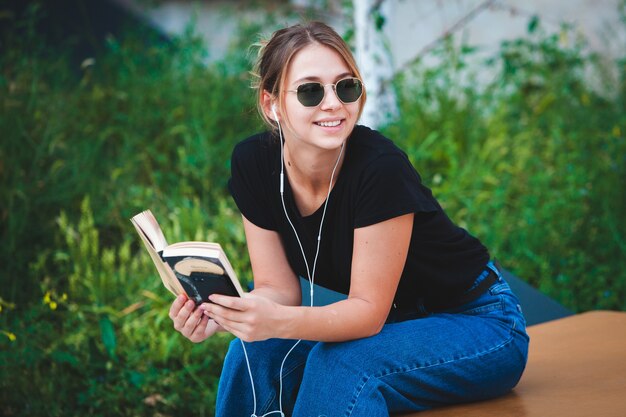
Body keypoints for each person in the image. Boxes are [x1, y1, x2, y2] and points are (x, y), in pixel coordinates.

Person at [168, 21, 529, 417]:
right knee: (252, 351)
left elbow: (367, 313)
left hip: (480, 324)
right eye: (310, 91)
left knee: (342, 365)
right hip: (398, 323)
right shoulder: (254, 163)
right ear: (272, 104)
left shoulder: (380, 168)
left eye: (346, 86)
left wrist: (277, 321)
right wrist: (227, 315)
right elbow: (277, 290)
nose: (333, 104)